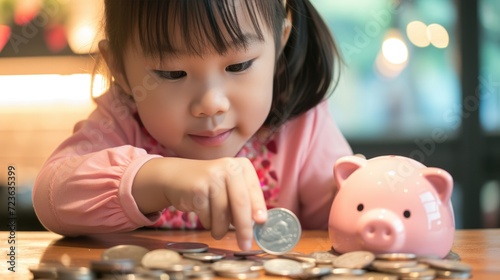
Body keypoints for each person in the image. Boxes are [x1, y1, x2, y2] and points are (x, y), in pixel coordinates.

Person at [33, 0, 352, 251]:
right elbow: (51, 196)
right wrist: (161, 179)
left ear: (280, 43)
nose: (211, 102)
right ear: (119, 66)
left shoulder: (303, 123)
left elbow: (349, 214)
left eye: (238, 65)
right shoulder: (121, 118)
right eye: (172, 73)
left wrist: (368, 194)